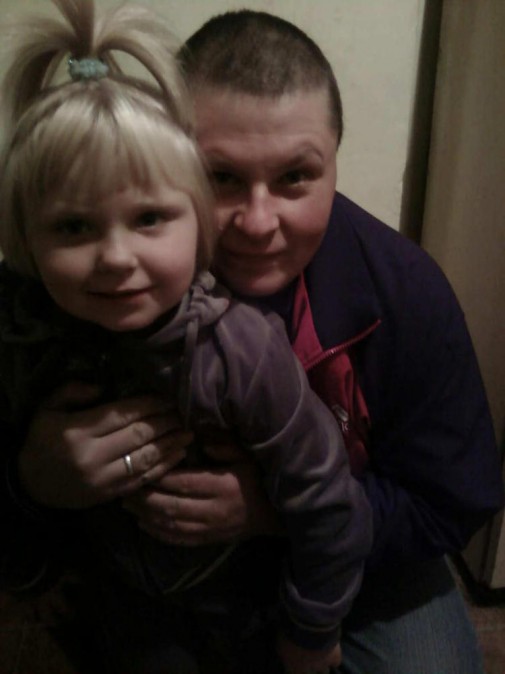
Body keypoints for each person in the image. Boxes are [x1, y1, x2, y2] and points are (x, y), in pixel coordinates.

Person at [1, 6, 503, 674]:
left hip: (357, 547)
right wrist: (31, 479)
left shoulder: (405, 290)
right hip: (154, 569)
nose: (259, 223)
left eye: (295, 176)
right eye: (221, 177)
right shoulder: (80, 288)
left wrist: (272, 512)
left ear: (335, 161)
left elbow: (451, 501)